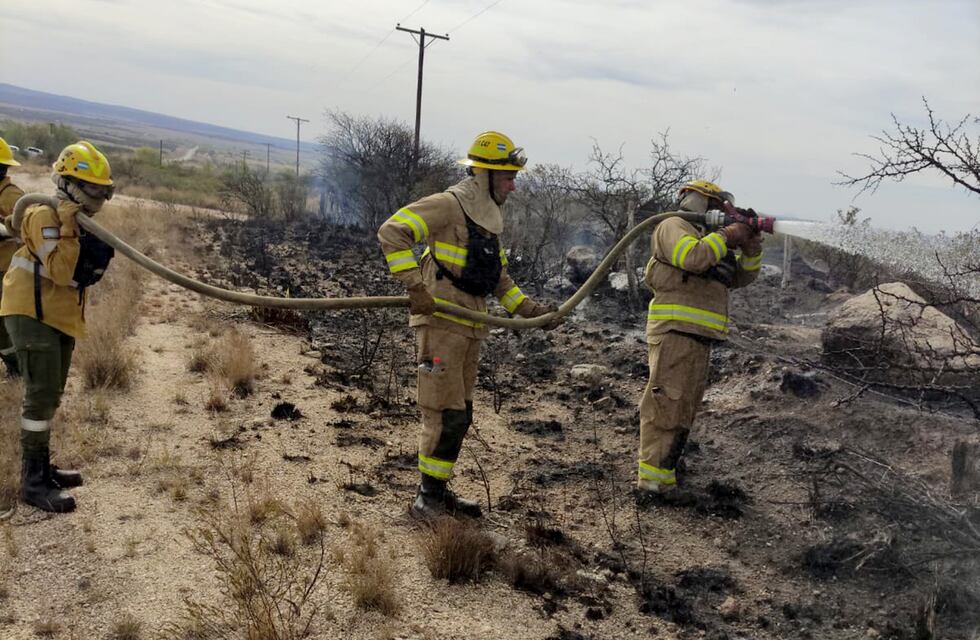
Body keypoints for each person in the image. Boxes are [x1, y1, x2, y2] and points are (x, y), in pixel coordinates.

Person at [378, 131, 558, 518]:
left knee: (460, 414)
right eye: (507, 176)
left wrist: (528, 311)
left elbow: (498, 277)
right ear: (485, 176)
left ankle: (439, 494)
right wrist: (414, 286)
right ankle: (426, 501)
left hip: (470, 324)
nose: (513, 184)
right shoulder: (447, 205)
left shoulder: (488, 217)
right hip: (442, 320)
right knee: (443, 413)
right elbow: (392, 232)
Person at [1, 140, 116, 513]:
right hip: (32, 314)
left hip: (58, 316)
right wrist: (67, 225)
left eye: (104, 190)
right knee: (39, 394)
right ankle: (32, 483)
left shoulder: (75, 219)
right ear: (68, 184)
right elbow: (62, 272)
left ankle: (44, 469)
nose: (98, 197)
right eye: (93, 189)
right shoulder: (43, 216)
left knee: (51, 394)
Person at [636, 180, 762, 498]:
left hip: (699, 337)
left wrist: (750, 247)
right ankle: (649, 483)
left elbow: (741, 277)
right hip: (675, 331)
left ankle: (665, 478)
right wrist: (727, 235)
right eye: (720, 208)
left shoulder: (712, 243)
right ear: (701, 203)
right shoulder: (673, 225)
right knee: (665, 405)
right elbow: (692, 259)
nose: (724, 215)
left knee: (683, 410)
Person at [0, 137, 25, 376]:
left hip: (5, 270)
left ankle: (17, 369)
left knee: (2, 329)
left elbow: (27, 231)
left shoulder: (12, 197)